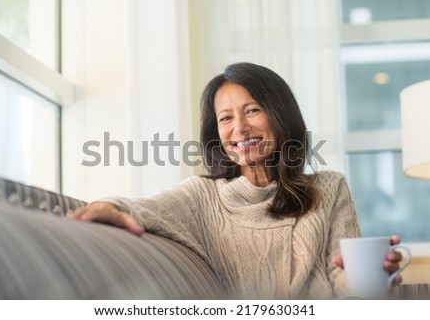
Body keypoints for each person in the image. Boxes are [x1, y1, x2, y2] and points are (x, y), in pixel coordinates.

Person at [69, 62, 403, 299]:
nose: (239, 128)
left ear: (281, 116)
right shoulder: (203, 195)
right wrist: (109, 206)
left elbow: (345, 284)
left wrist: (375, 277)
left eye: (253, 110)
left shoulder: (329, 188)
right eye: (226, 118)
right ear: (217, 133)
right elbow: (147, 208)